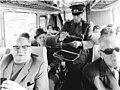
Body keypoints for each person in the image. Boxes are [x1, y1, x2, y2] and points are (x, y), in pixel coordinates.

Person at [58, 3, 94, 90]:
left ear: (82, 14)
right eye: (74, 15)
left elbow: (91, 42)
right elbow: (59, 38)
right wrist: (61, 37)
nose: (75, 17)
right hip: (68, 55)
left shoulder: (87, 26)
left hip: (81, 58)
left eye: (78, 15)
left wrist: (81, 43)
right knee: (69, 79)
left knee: (79, 80)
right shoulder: (67, 25)